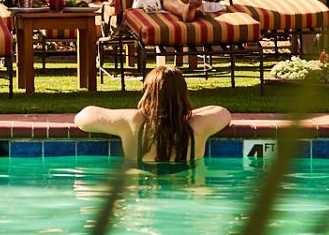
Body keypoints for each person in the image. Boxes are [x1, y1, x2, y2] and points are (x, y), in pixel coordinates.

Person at [74, 64, 230, 165]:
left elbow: (82, 117)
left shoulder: (133, 122)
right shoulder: (198, 125)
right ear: (183, 96)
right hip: (188, 195)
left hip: (142, 200)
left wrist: (143, 112)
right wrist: (178, 112)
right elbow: (223, 112)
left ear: (147, 95)